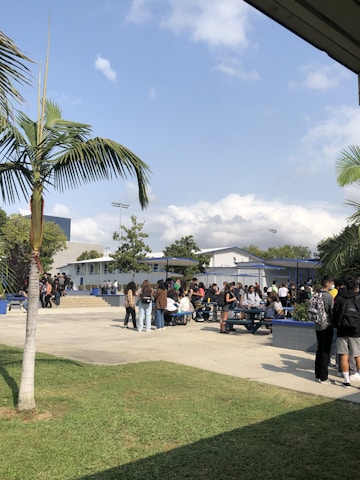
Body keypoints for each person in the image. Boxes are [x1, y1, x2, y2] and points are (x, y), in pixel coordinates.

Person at [333, 277, 360, 388]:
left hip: (342, 331)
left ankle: (346, 381)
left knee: (344, 355)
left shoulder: (339, 298)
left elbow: (334, 315)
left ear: (345, 287)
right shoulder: (359, 299)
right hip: (356, 331)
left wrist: (336, 325)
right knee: (358, 355)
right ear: (355, 288)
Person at [314, 276, 334, 384]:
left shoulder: (316, 294)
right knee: (325, 351)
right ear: (327, 284)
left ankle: (317, 374)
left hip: (317, 325)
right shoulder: (328, 296)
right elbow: (331, 311)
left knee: (319, 349)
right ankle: (324, 377)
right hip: (326, 325)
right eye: (331, 283)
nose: (332, 285)